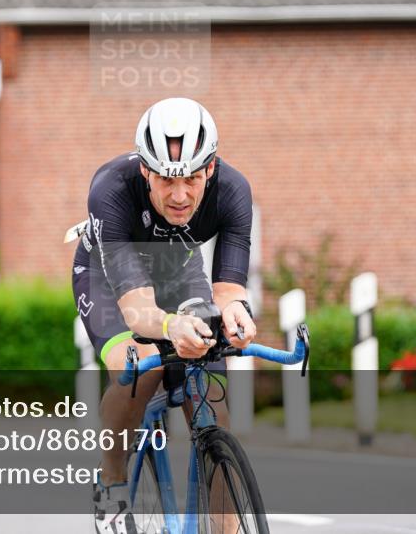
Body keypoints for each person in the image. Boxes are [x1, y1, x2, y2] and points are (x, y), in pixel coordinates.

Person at [71, 97, 257, 533]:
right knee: (138, 367)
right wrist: (171, 328)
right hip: (107, 276)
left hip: (179, 269)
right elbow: (138, 310)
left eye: (192, 179)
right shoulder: (110, 190)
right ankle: (111, 483)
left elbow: (228, 289)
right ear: (145, 171)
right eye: (166, 181)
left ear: (210, 169)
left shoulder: (233, 191)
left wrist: (237, 315)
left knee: (213, 405)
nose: (179, 196)